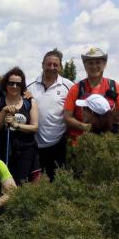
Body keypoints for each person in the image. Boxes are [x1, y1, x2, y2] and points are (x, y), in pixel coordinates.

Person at [27, 49, 74, 181]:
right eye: (48, 64)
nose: (51, 67)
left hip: (58, 144)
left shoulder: (69, 86)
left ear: (60, 67)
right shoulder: (29, 85)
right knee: (33, 182)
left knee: (57, 181)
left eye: (55, 65)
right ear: (42, 65)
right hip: (34, 143)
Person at [64, 47, 119, 145]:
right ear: (85, 65)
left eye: (98, 62)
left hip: (107, 143)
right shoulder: (76, 89)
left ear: (104, 64)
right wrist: (84, 126)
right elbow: (67, 117)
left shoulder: (114, 87)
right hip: (80, 143)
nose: (94, 66)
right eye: (90, 63)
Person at [0, 67, 40, 184]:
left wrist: (15, 125)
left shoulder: (30, 102)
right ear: (5, 84)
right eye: (11, 83)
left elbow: (35, 127)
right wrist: (3, 112)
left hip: (25, 150)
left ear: (22, 85)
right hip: (3, 149)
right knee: (3, 182)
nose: (14, 86)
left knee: (20, 182)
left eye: (18, 84)